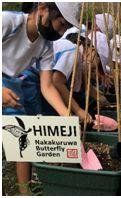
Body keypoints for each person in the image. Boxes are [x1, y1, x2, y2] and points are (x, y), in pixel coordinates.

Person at [2, 2, 81, 195]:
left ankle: (24, 191)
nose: (61, 32)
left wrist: (66, 115)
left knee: (22, 139)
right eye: (60, 24)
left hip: (13, 84)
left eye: (66, 28)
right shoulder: (8, 22)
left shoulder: (46, 45)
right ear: (44, 9)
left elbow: (47, 86)